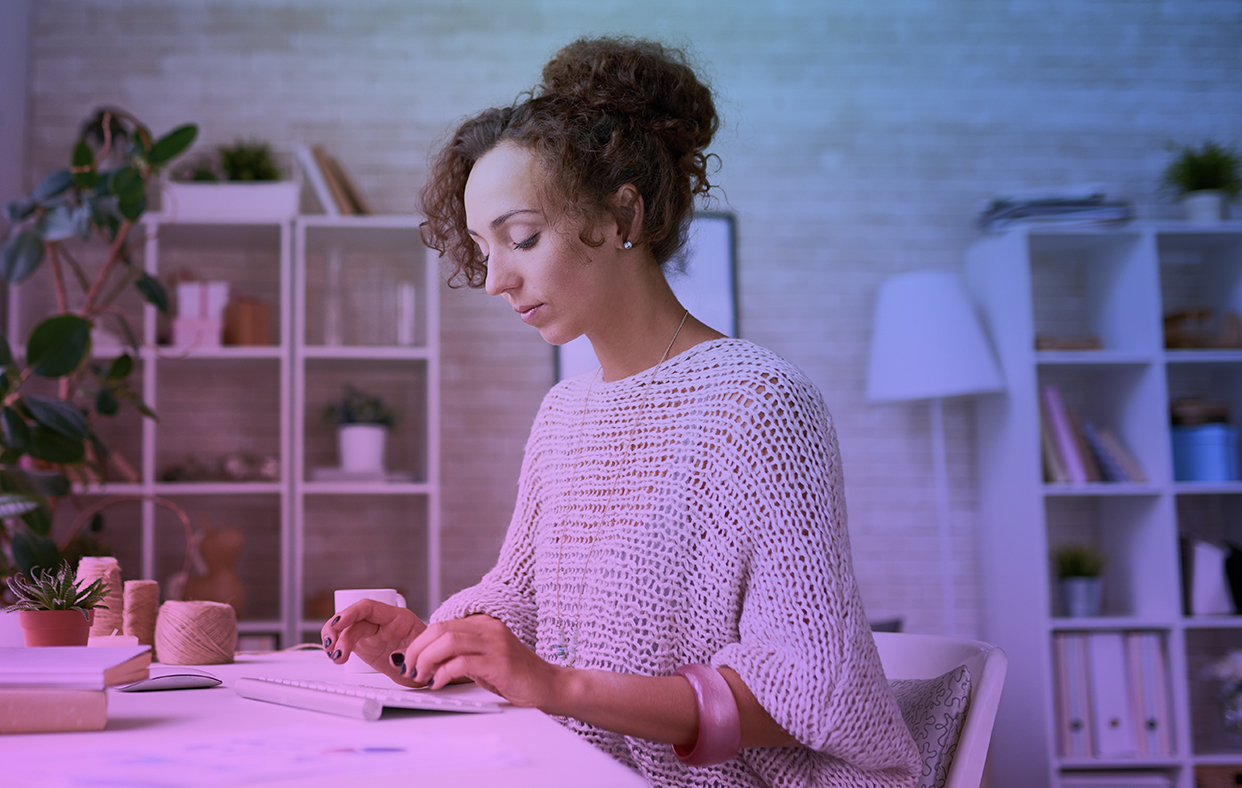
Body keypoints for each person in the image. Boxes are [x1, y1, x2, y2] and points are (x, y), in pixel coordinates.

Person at [321, 37, 918, 788]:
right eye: (482, 247)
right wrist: (428, 644)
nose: (496, 279)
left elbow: (812, 691)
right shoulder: (564, 413)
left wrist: (559, 686)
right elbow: (522, 602)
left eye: (523, 237)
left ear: (623, 212)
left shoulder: (758, 404)